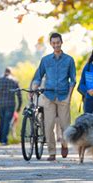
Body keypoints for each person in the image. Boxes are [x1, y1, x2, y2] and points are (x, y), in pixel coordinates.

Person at [32, 32, 76, 161]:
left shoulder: (69, 60)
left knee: (65, 126)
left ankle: (64, 143)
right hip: (49, 95)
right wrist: (33, 88)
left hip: (63, 96)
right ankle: (52, 153)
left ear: (61, 42)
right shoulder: (45, 60)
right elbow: (38, 76)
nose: (56, 45)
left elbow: (73, 80)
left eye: (58, 42)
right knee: (48, 125)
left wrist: (69, 96)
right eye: (53, 43)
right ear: (51, 44)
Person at [0, 67, 22, 145]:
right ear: (10, 73)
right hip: (11, 104)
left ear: (4, 72)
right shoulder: (14, 81)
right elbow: (19, 95)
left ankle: (0, 139)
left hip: (1, 104)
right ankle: (4, 140)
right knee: (7, 121)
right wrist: (19, 106)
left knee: (2, 121)